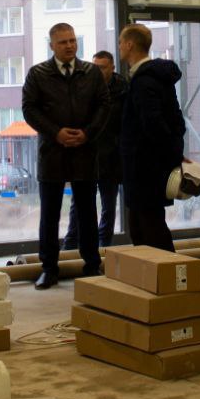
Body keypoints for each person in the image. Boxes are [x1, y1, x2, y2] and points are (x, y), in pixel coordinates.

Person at [22, 23, 109, 288]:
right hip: (52, 153)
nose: (69, 45)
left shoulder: (91, 72)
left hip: (85, 151)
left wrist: (88, 133)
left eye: (72, 40)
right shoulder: (38, 74)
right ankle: (49, 269)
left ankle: (91, 265)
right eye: (63, 42)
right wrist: (55, 133)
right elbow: (29, 109)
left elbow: (104, 106)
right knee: (49, 215)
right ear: (52, 46)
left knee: (87, 213)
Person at [117, 23, 186, 252]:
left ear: (129, 45)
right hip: (150, 165)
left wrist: (169, 156)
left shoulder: (143, 81)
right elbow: (176, 121)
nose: (119, 46)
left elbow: (153, 124)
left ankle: (170, 270)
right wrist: (175, 154)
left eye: (121, 42)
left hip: (144, 167)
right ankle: (154, 270)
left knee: (150, 229)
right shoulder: (157, 77)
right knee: (141, 225)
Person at [63, 50, 127, 250]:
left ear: (112, 68)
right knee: (79, 204)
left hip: (111, 158)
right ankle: (71, 246)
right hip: (87, 155)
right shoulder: (84, 86)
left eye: (102, 68)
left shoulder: (123, 90)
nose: (97, 71)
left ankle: (103, 247)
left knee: (108, 206)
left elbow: (124, 124)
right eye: (94, 67)